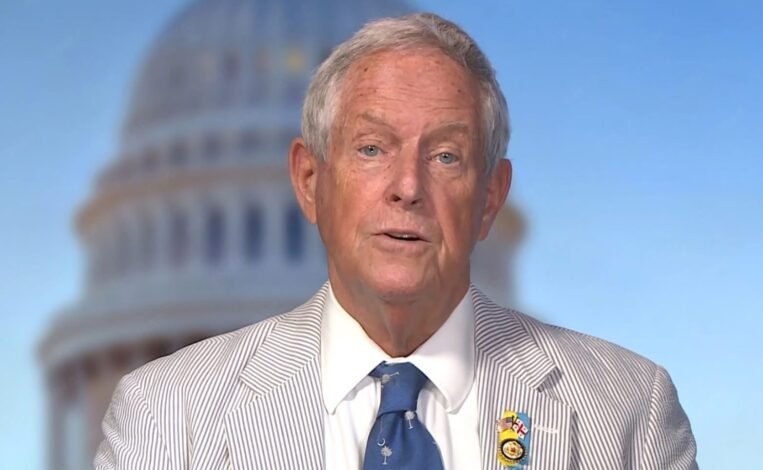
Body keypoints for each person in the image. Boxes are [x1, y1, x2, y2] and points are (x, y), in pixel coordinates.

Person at [95, 12, 697, 470]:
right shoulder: (168, 417)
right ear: (309, 181)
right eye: (371, 149)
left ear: (490, 197)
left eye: (445, 156)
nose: (407, 187)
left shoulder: (627, 412)